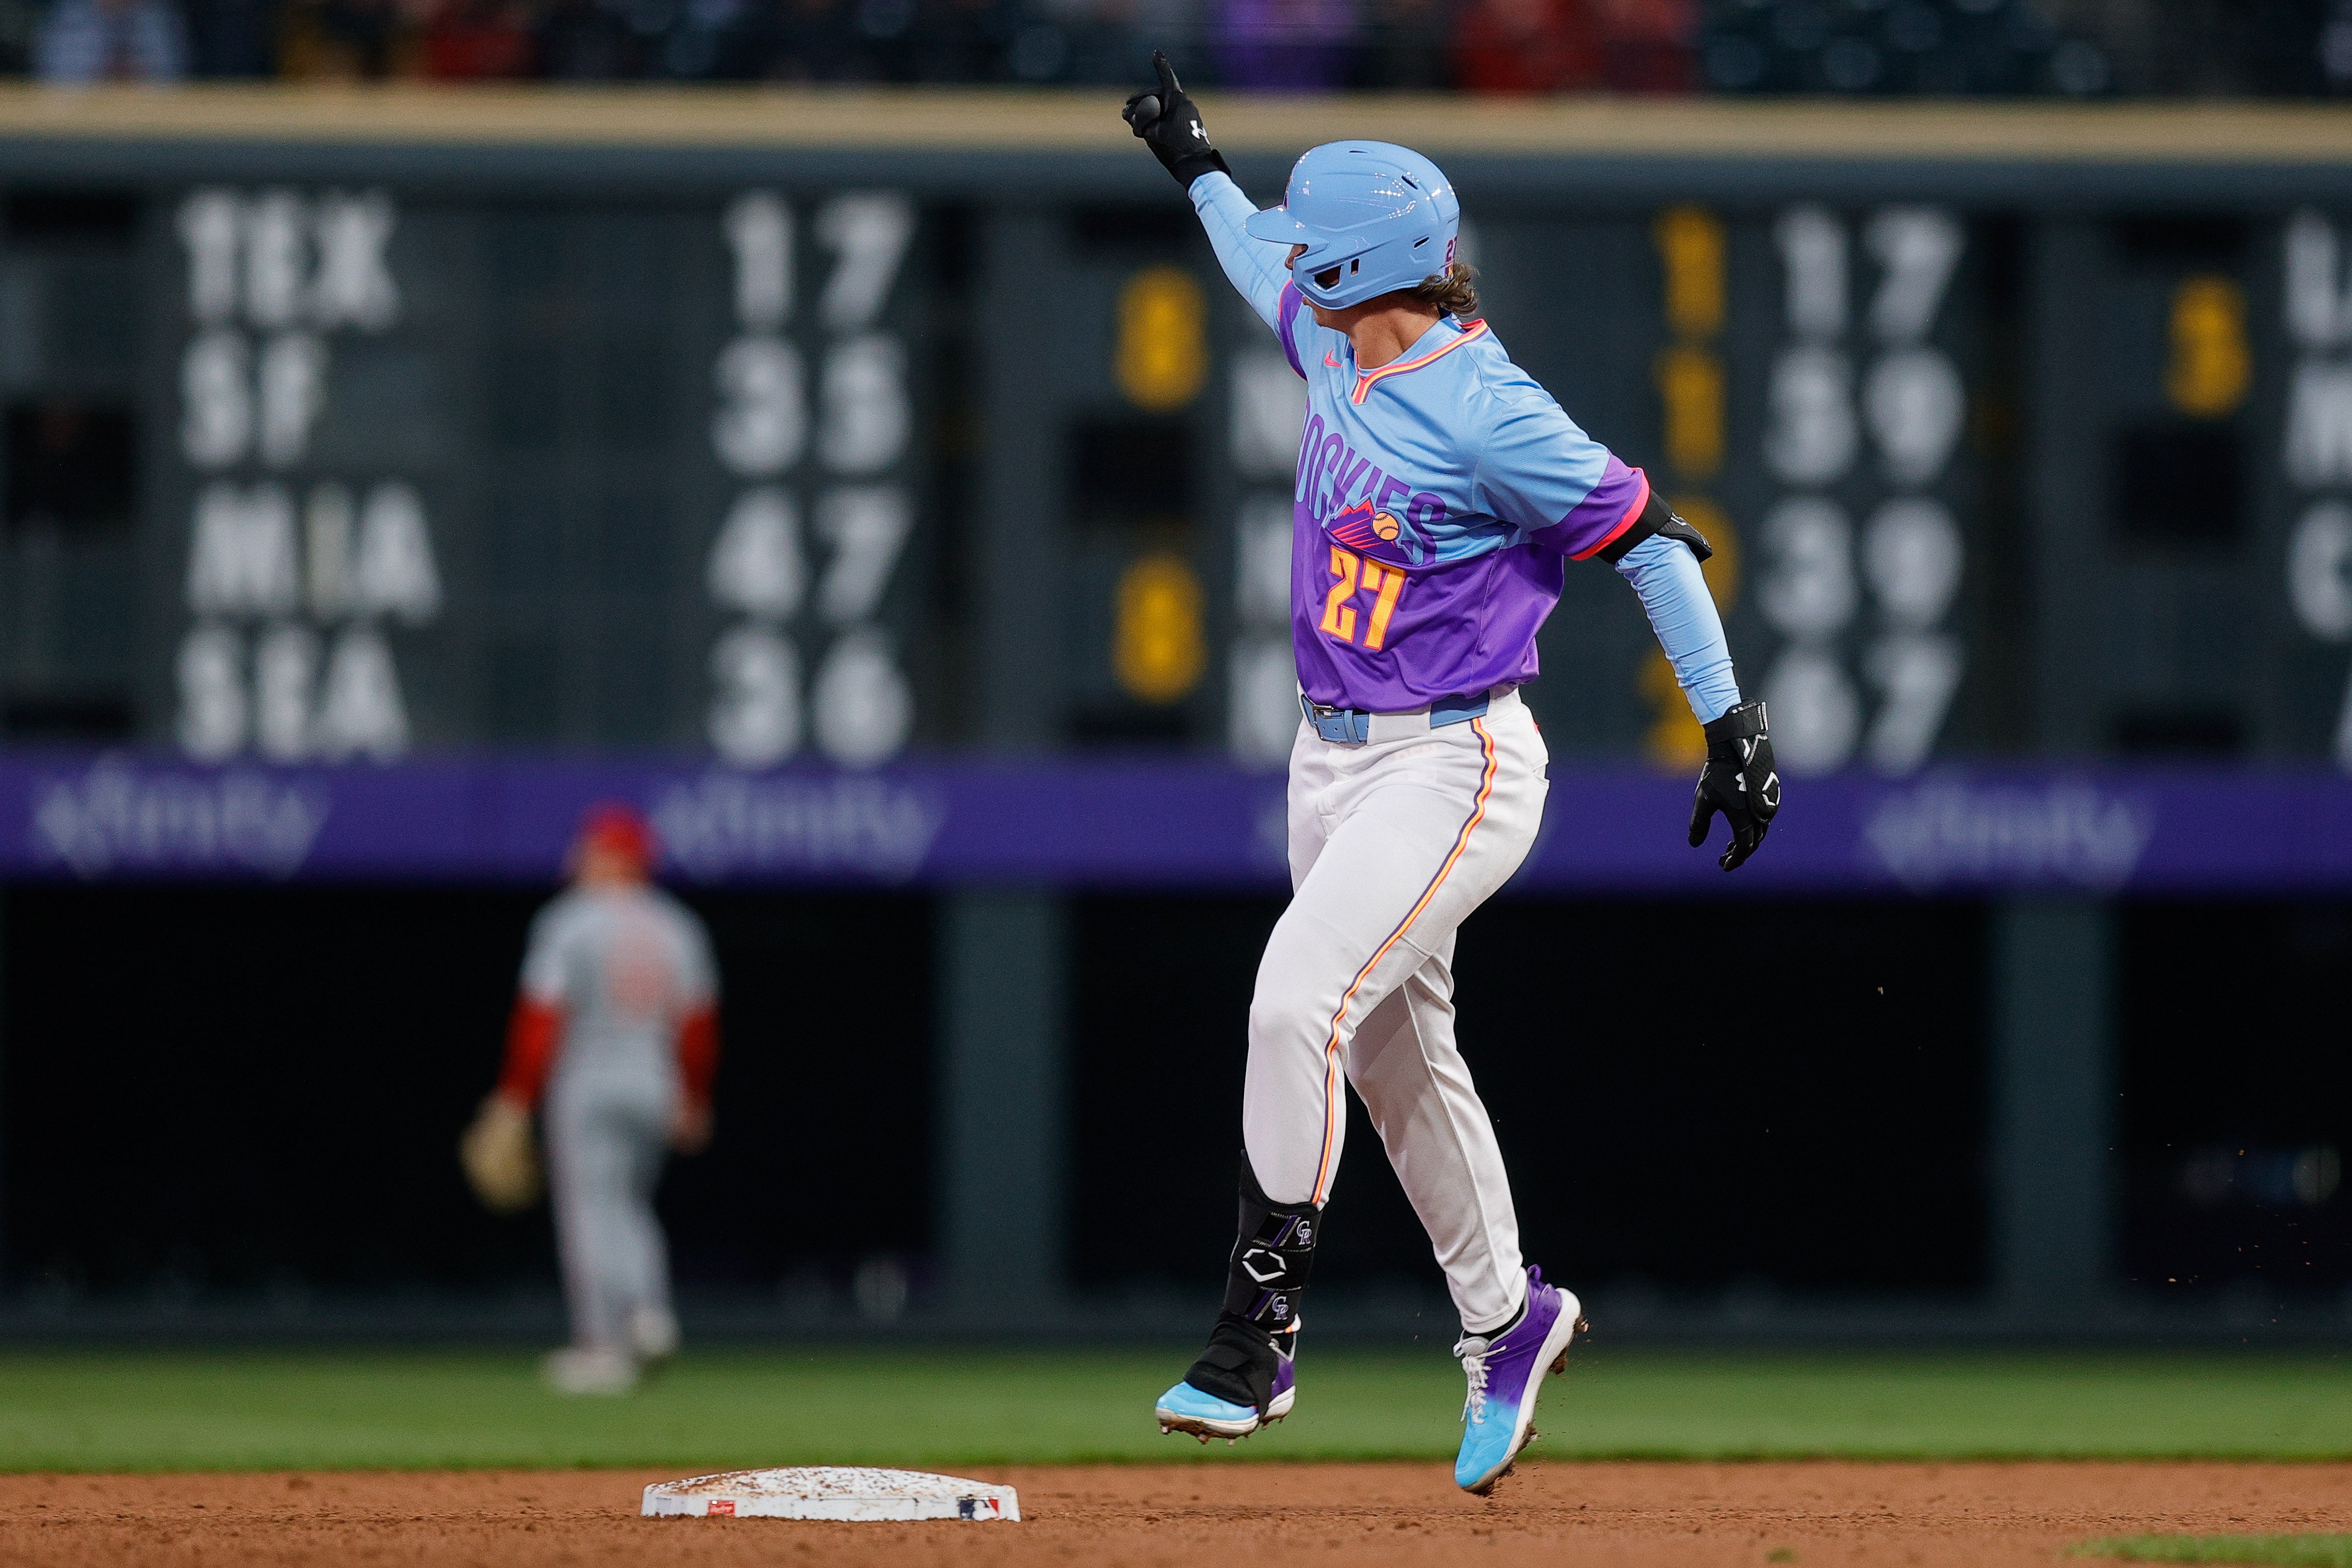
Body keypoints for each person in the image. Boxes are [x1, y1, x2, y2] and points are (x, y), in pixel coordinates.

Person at [1121, 56, 1779, 1494]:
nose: (1290, 249)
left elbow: (1650, 542)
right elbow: (1248, 253)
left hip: (1454, 757)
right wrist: (1197, 164)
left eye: (1313, 236)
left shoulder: (1486, 408)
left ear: (1361, 264)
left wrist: (1728, 723)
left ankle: (1253, 1334)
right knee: (1393, 1057)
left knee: (1293, 998)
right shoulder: (1333, 337)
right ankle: (1507, 1317)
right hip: (1327, 757)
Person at [476, 802, 722, 1395]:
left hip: (586, 1079)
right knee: (630, 1205)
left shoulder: (571, 919)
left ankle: (602, 1345)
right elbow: (697, 1023)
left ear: (613, 857)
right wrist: (693, 1095)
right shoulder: (678, 924)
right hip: (656, 1079)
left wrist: (515, 1096)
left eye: (589, 848)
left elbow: (541, 1015)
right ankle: (650, 1312)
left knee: (590, 1212)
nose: (577, 858)